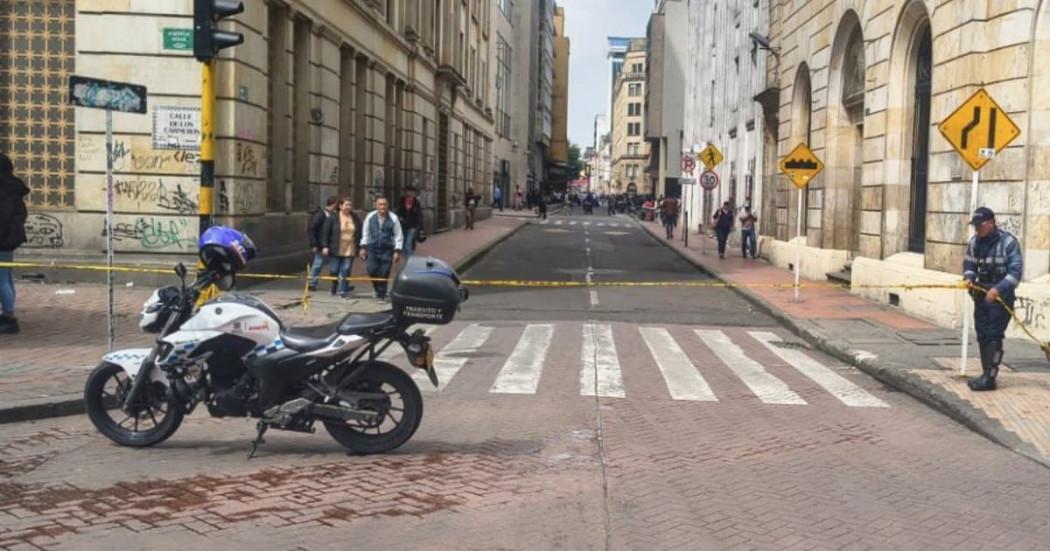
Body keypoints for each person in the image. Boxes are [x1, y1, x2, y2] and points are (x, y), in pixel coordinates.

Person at [962, 207, 1023, 391]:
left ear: (991, 223)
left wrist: (998, 289)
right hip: (981, 294)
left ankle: (990, 377)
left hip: (1000, 295)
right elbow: (969, 263)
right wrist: (969, 278)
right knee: (982, 334)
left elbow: (1016, 272)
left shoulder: (1008, 242)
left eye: (980, 226)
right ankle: (985, 374)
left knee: (993, 335)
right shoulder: (975, 242)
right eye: (975, 226)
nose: (977, 229)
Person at [0, 153, 28, 334]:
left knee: (2, 279)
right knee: (6, 277)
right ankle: (9, 314)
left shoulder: (4, 189)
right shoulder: (13, 188)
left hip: (3, 240)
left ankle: (9, 316)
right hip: (9, 240)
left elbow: (3, 217)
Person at [359, 197, 404, 300]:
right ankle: (376, 289)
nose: (382, 207)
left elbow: (398, 235)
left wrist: (397, 251)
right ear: (376, 206)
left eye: (384, 204)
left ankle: (381, 294)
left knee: (384, 272)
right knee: (371, 270)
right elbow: (365, 233)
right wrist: (363, 247)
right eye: (380, 204)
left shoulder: (393, 218)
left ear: (388, 206)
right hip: (372, 248)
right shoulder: (370, 217)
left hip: (387, 249)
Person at [320, 197, 362, 299]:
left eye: (350, 205)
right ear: (340, 206)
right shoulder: (333, 217)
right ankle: (334, 285)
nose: (348, 207)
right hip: (335, 248)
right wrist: (325, 246)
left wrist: (361, 247)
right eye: (346, 205)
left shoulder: (355, 217)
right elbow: (325, 232)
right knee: (334, 270)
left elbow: (360, 232)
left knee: (346, 269)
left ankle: (343, 290)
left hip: (350, 248)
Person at [307, 196, 338, 291]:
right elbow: (312, 229)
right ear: (333, 204)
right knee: (318, 264)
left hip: (332, 244)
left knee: (334, 265)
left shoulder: (334, 215)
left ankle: (336, 284)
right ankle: (312, 283)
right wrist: (314, 244)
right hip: (320, 244)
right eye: (336, 205)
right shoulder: (320, 215)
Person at [396, 185, 423, 257]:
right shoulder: (402, 200)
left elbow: (419, 214)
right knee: (404, 241)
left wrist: (418, 225)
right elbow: (398, 211)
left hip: (412, 225)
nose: (409, 193)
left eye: (411, 191)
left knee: (408, 242)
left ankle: (410, 258)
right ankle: (405, 257)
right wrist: (400, 217)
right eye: (407, 191)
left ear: (413, 193)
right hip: (403, 224)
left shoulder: (416, 202)